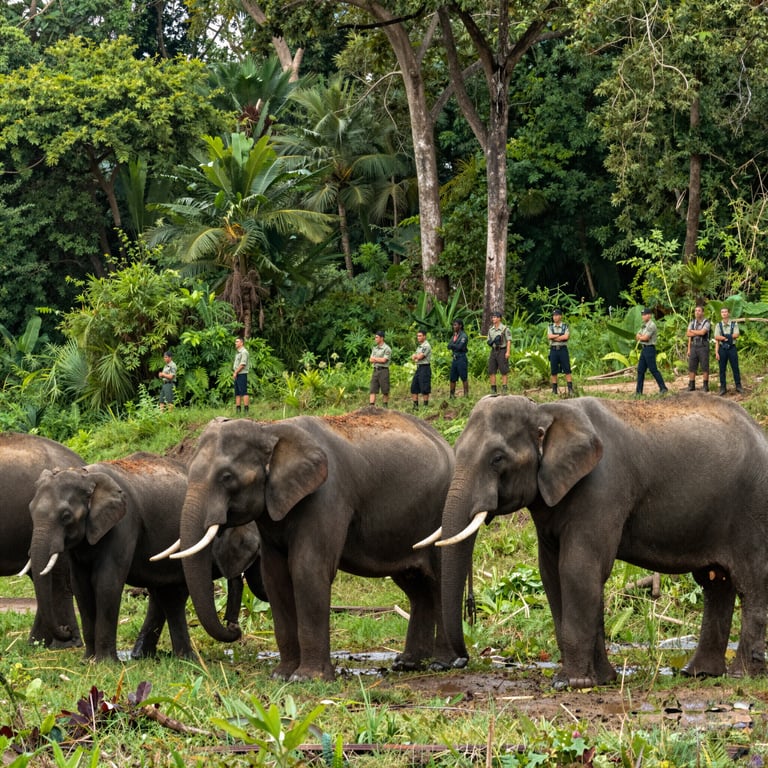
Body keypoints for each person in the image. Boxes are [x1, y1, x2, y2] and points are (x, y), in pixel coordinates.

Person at [635, 307, 668, 395]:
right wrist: (640, 337)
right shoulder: (644, 325)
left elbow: (645, 338)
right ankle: (638, 392)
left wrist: (640, 337)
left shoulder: (651, 325)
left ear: (649, 315)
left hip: (649, 348)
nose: (643, 316)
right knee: (640, 370)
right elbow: (637, 335)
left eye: (645, 314)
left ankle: (663, 388)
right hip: (644, 348)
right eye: (642, 315)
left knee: (653, 369)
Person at [715, 306, 743, 395]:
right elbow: (716, 337)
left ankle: (738, 386)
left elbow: (737, 334)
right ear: (721, 314)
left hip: (732, 348)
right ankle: (723, 388)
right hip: (722, 349)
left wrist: (724, 337)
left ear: (728, 313)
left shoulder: (734, 324)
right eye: (722, 312)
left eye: (725, 312)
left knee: (735, 367)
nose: (724, 313)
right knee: (722, 369)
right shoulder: (718, 325)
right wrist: (716, 352)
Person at [547, 309, 574, 396]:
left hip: (563, 349)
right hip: (553, 349)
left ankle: (570, 389)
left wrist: (555, 337)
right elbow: (549, 336)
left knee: (567, 369)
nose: (554, 317)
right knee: (553, 370)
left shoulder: (565, 326)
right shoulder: (550, 326)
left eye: (556, 315)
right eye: (553, 316)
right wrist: (559, 336)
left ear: (560, 316)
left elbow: (566, 337)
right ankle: (554, 390)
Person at [686, 303, 710, 392]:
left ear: (703, 312)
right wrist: (688, 349)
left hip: (703, 346)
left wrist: (692, 331)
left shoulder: (706, 322)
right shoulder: (692, 322)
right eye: (696, 311)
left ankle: (705, 386)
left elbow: (703, 333)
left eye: (699, 311)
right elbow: (688, 335)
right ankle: (691, 385)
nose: (697, 312)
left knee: (704, 366)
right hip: (694, 346)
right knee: (692, 366)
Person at [487, 310, 511, 394]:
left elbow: (508, 340)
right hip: (493, 350)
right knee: (491, 369)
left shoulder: (505, 329)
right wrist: (490, 342)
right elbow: (489, 339)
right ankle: (493, 388)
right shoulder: (491, 329)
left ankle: (504, 388)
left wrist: (508, 352)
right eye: (492, 317)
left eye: (495, 317)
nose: (493, 319)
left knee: (503, 370)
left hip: (502, 350)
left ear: (499, 318)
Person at [368, 330, 392, 407]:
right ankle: (371, 407)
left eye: (377, 337)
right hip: (375, 370)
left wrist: (375, 359)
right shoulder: (374, 348)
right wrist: (378, 359)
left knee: (385, 390)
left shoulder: (387, 348)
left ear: (382, 338)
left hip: (383, 371)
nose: (375, 339)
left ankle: (385, 406)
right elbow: (370, 360)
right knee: (373, 389)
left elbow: (384, 360)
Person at [447, 319, 469, 398]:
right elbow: (448, 346)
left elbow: (460, 347)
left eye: (455, 325)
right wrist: (454, 346)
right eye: (453, 325)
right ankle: (452, 395)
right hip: (454, 358)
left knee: (464, 377)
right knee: (452, 378)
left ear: (460, 326)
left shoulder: (464, 336)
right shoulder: (454, 335)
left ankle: (466, 395)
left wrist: (453, 345)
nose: (454, 326)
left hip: (461, 358)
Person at [410, 329, 431, 410]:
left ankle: (425, 406)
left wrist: (416, 356)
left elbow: (419, 357)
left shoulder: (426, 346)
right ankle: (415, 406)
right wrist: (416, 357)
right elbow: (415, 358)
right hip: (419, 367)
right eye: (417, 336)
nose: (418, 337)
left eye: (420, 336)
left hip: (425, 368)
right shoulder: (419, 346)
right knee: (414, 387)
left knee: (425, 387)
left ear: (424, 336)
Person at [233, 337, 250, 415]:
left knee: (244, 392)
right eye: (235, 341)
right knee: (237, 393)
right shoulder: (238, 352)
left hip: (242, 374)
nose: (235, 343)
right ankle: (238, 411)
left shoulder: (244, 352)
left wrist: (236, 372)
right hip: (237, 374)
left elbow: (243, 364)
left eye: (237, 341)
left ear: (241, 343)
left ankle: (246, 411)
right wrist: (235, 373)